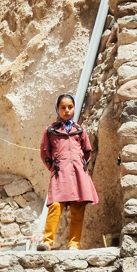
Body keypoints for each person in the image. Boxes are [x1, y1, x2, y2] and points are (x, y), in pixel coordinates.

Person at [38, 93, 99, 251]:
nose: (67, 110)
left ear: (74, 108)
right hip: (60, 172)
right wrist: (54, 167)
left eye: (70, 107)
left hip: (78, 172)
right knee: (56, 205)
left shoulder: (79, 129)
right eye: (63, 107)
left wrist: (80, 166)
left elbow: (87, 151)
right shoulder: (51, 130)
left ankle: (74, 244)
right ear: (57, 109)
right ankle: (47, 242)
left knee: (78, 207)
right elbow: (45, 152)